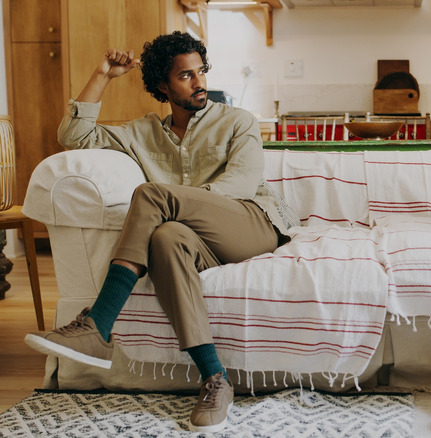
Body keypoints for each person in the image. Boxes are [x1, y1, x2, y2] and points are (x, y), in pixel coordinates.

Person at [24, 31, 296, 433]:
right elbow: (73, 137)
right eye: (186, 76)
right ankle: (215, 378)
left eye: (201, 72)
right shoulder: (142, 133)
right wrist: (102, 75)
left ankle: (99, 323)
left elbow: (237, 187)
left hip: (249, 223)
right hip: (192, 238)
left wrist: (173, 201)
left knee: (154, 197)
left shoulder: (238, 122)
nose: (200, 82)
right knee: (165, 238)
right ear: (163, 86)